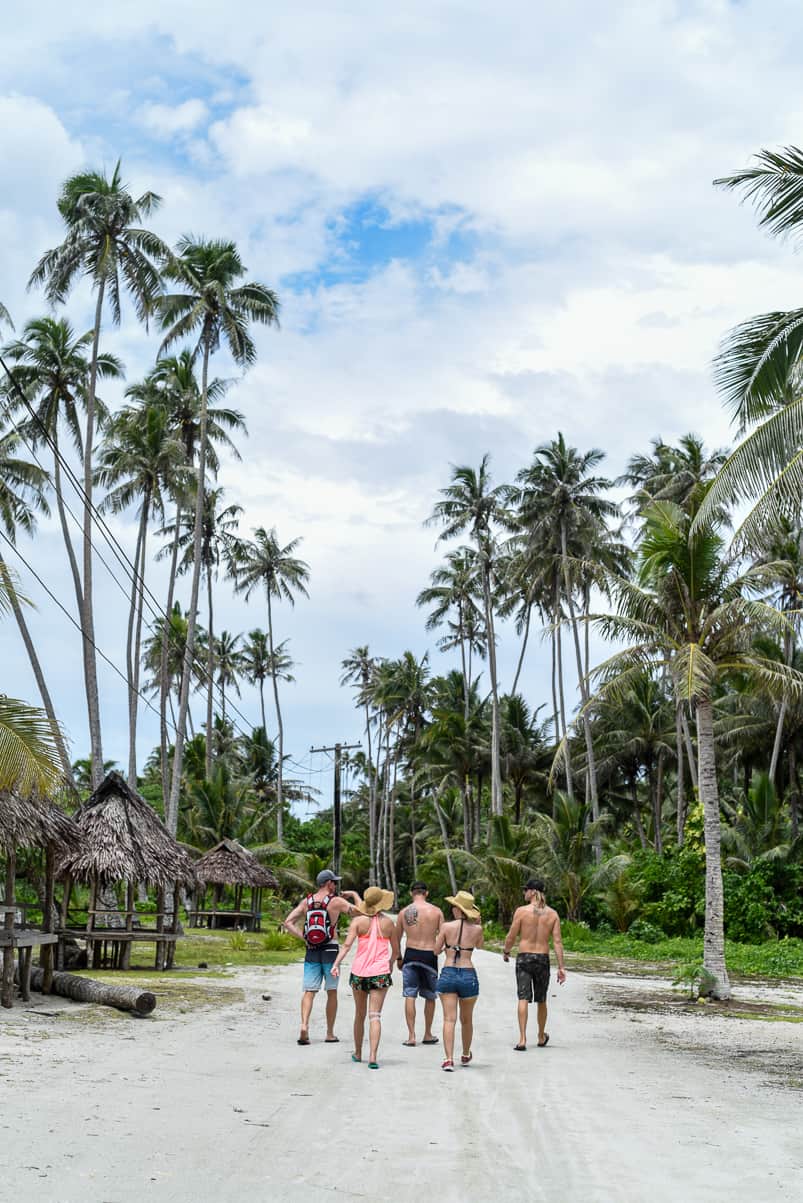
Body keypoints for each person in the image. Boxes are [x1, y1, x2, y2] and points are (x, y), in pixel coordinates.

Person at [283, 870, 362, 1045]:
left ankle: (304, 1025)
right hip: (331, 950)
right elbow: (359, 912)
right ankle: (330, 1033)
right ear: (328, 883)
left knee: (309, 991)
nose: (335, 885)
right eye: (334, 882)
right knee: (331, 991)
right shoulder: (336, 902)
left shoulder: (307, 901)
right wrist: (355, 895)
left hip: (312, 950)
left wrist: (304, 937)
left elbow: (287, 922)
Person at [332, 886, 399, 1069]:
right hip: (380, 973)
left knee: (359, 1015)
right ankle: (373, 1056)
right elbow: (396, 951)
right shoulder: (388, 924)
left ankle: (358, 1052)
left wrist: (336, 964)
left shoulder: (358, 922)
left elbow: (346, 946)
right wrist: (391, 963)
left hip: (359, 973)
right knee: (375, 1016)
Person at [503, 877, 566, 1050]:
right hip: (542, 959)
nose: (524, 893)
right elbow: (557, 942)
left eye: (526, 890)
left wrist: (506, 951)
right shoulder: (552, 914)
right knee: (541, 999)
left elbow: (511, 935)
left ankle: (522, 1039)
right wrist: (561, 967)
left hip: (524, 957)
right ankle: (540, 1035)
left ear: (532, 892)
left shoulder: (521, 911)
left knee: (523, 997)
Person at [434, 890, 483, 1071]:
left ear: (457, 909)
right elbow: (480, 945)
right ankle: (465, 1052)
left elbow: (435, 950)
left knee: (449, 1019)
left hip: (448, 973)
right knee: (467, 1019)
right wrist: (477, 924)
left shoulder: (446, 927)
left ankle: (448, 1059)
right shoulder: (477, 929)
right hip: (468, 973)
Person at [396, 881, 442, 1046]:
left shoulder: (403, 912)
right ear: (426, 893)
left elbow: (396, 938)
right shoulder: (436, 912)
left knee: (410, 994)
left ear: (411, 893)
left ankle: (411, 1036)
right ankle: (428, 1034)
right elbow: (443, 936)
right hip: (429, 955)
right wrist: (439, 950)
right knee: (430, 996)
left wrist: (398, 958)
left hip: (411, 954)